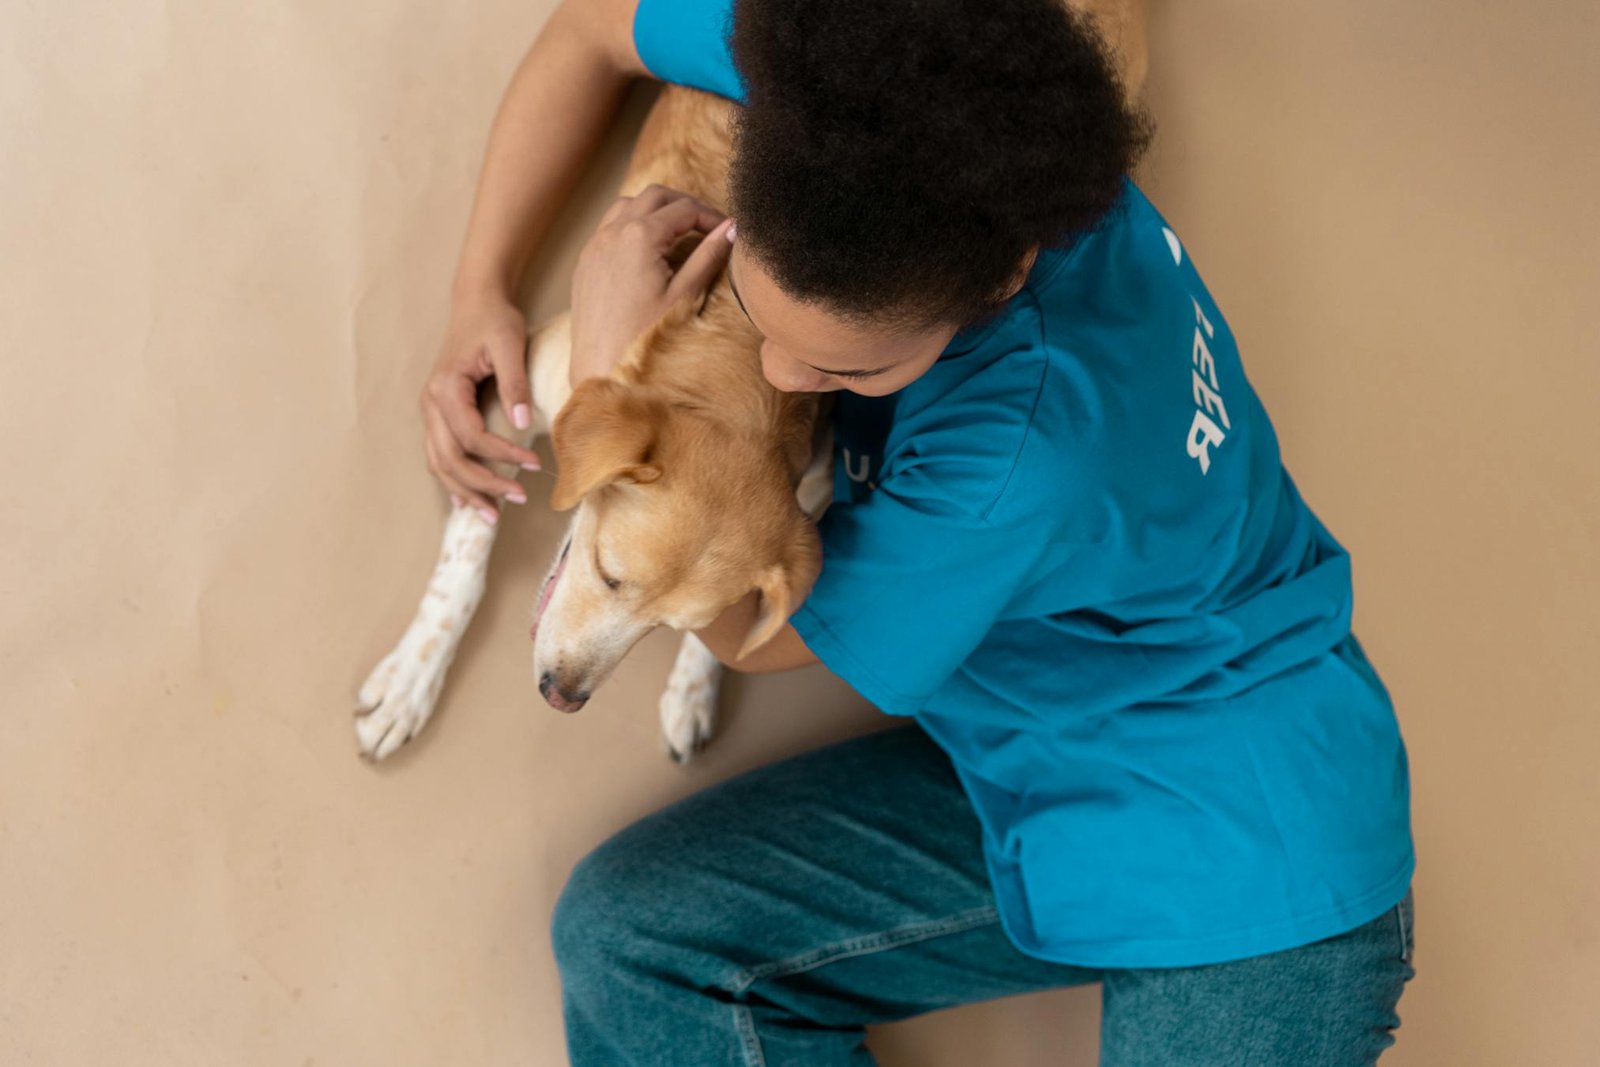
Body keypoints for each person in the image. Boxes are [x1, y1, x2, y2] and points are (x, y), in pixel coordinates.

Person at [422, 0, 1416, 1062]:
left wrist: (619, 372)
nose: (783, 377)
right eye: (767, 311)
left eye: (850, 371)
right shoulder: (855, 106)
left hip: (1243, 834)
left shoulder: (1022, 447)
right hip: (1030, 770)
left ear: (997, 285)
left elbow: (774, 634)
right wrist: (478, 292)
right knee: (641, 938)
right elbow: (587, 30)